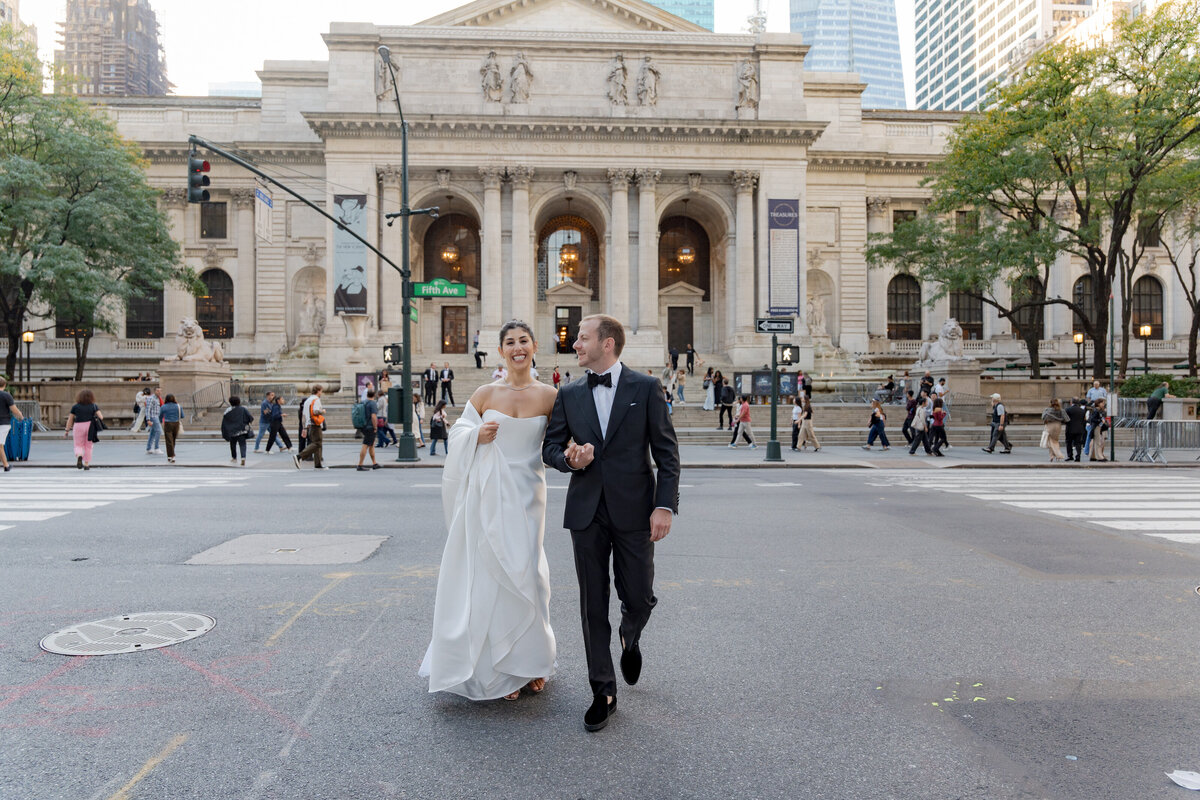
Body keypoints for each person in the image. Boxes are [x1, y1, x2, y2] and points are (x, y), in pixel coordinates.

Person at [542, 314, 680, 732]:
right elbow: (549, 447)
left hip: (636, 510)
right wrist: (568, 458)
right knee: (591, 604)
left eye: (582, 338)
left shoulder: (646, 387)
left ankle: (630, 633)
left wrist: (664, 506)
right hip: (587, 511)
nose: (574, 343)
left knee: (639, 595)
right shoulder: (567, 393)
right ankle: (602, 690)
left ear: (608, 344)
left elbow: (667, 455)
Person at [420, 320, 559, 702]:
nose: (517, 348)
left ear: (534, 346)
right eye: (510, 342)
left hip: (529, 496)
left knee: (529, 576)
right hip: (488, 496)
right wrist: (476, 436)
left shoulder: (550, 396)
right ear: (500, 351)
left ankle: (530, 664)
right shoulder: (484, 393)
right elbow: (458, 434)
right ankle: (497, 670)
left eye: (523, 341)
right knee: (490, 577)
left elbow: (560, 443)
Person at [65, 390, 103, 470]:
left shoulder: (75, 407)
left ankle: (79, 456)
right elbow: (101, 417)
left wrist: (67, 430)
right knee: (88, 446)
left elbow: (70, 419)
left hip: (78, 426)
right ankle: (86, 464)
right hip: (90, 426)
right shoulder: (94, 406)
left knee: (78, 445)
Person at [293, 385, 327, 469]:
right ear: (318, 391)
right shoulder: (316, 399)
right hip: (315, 424)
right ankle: (299, 456)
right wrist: (322, 411)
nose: (321, 393)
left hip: (309, 424)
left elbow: (304, 415)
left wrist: (304, 427)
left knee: (317, 443)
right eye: (321, 391)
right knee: (317, 443)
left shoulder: (308, 400)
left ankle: (318, 463)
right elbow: (315, 411)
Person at [0, 377, 25, 472]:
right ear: (5, 385)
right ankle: (6, 465)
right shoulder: (6, 395)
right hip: (3, 423)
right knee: (0, 445)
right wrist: (21, 416)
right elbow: (13, 409)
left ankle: (6, 465)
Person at [221, 396, 254, 466]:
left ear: (230, 402)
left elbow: (225, 421)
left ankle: (234, 457)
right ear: (239, 401)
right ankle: (243, 457)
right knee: (242, 444)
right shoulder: (243, 409)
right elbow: (250, 417)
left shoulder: (228, 410)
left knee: (233, 444)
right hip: (241, 430)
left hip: (232, 431)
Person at [356, 389, 382, 471]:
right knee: (366, 444)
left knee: (371, 444)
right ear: (374, 395)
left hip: (363, 425)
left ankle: (374, 463)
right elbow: (373, 416)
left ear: (367, 395)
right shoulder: (373, 403)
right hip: (370, 427)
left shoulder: (364, 402)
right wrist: (375, 427)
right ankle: (360, 465)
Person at [1041, 397, 1067, 462]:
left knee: (1051, 441)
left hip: (1050, 425)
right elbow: (1066, 419)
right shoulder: (1061, 410)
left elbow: (1043, 417)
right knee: (1054, 440)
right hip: (1058, 425)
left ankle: (1057, 455)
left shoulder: (1047, 410)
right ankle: (1053, 455)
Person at [160, 394, 182, 464]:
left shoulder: (163, 407)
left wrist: (160, 421)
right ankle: (171, 455)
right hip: (176, 423)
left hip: (168, 423)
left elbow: (160, 416)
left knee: (169, 440)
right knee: (173, 439)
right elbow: (182, 415)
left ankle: (171, 455)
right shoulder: (178, 406)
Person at [1065, 397, 1087, 462]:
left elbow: (1066, 419)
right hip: (1079, 429)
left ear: (1071, 402)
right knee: (1078, 443)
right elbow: (1084, 420)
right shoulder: (1082, 411)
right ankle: (1078, 456)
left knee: (1069, 442)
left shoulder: (1068, 409)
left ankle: (1070, 455)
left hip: (1070, 429)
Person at [143, 388, 163, 456]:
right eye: (157, 391)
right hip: (153, 417)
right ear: (154, 391)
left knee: (152, 433)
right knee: (159, 431)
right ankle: (156, 448)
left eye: (160, 391)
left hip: (156, 416)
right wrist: (148, 419)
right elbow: (148, 409)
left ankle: (148, 448)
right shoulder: (151, 398)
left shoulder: (158, 398)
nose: (159, 392)